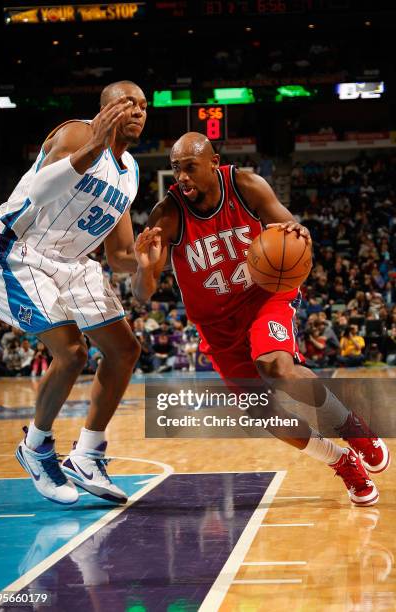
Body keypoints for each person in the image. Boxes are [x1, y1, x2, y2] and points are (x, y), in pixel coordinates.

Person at [132, 132, 390, 507]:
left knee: (277, 367)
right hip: (218, 326)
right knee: (263, 411)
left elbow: (294, 231)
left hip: (263, 299)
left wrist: (299, 231)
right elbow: (143, 293)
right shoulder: (167, 215)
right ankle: (340, 460)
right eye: (176, 169)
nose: (182, 177)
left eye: (190, 167)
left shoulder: (247, 185)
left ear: (214, 163)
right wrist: (144, 267)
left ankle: (354, 429)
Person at [0, 80, 147, 505]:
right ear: (103, 109)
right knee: (72, 352)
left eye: (143, 106)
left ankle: (88, 455)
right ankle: (36, 447)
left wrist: (149, 258)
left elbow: (119, 255)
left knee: (124, 351)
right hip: (20, 250)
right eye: (127, 103)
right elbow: (39, 192)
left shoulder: (129, 171)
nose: (137, 110)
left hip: (73, 263)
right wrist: (92, 148)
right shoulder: (77, 133)